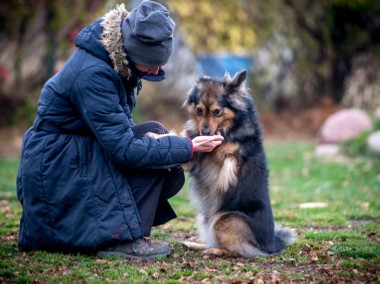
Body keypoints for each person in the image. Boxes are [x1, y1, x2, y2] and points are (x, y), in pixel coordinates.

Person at [16, 0, 223, 259]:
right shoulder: (93, 73)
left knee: (155, 135)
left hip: (76, 157)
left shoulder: (117, 63)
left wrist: (173, 146)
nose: (157, 71)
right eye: (151, 64)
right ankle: (120, 240)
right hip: (57, 168)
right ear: (133, 52)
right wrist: (187, 146)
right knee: (153, 150)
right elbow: (125, 150)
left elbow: (120, 136)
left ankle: (130, 233)